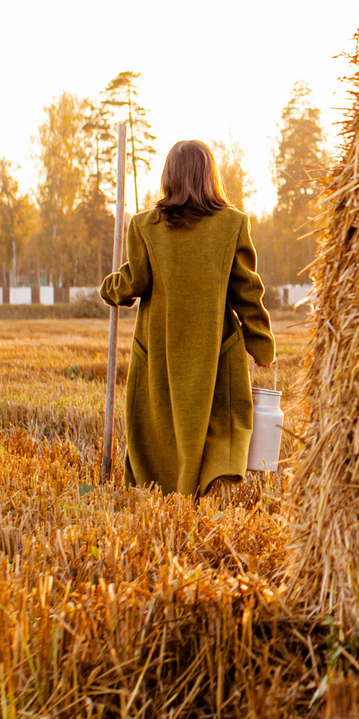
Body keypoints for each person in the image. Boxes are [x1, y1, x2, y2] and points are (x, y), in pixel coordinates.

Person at [99, 138, 275, 496]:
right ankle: (207, 493)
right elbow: (247, 292)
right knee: (216, 426)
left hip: (161, 352)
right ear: (209, 176)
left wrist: (109, 288)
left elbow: (134, 281)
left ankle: (166, 496)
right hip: (214, 353)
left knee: (159, 429)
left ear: (169, 177)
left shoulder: (144, 225)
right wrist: (262, 345)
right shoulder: (234, 223)